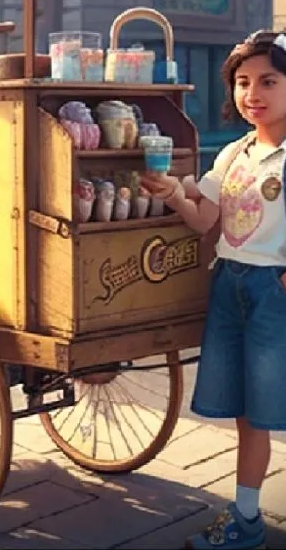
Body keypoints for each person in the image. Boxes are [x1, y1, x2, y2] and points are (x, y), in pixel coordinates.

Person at [141, 29, 286, 550]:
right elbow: (207, 220)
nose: (253, 94)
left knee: (276, 405)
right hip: (229, 285)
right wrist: (176, 194)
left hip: (275, 290)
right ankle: (246, 517)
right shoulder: (232, 156)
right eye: (243, 83)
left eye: (268, 81)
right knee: (251, 413)